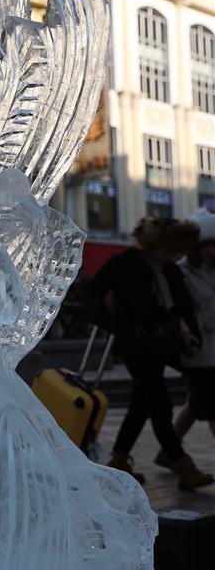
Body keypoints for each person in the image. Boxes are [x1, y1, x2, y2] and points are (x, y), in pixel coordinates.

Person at [83, 216, 214, 490]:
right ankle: (182, 464)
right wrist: (114, 325)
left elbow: (180, 309)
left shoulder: (168, 271)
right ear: (155, 244)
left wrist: (186, 335)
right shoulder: (125, 264)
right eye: (169, 248)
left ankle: (119, 460)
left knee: (144, 402)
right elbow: (92, 294)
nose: (173, 254)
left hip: (160, 346)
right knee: (159, 402)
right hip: (136, 345)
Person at [161, 209, 215, 456]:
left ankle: (169, 451)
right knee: (202, 402)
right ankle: (170, 451)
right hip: (198, 346)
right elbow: (181, 310)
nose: (209, 251)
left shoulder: (210, 270)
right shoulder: (182, 272)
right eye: (205, 246)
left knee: (199, 402)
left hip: (211, 345)